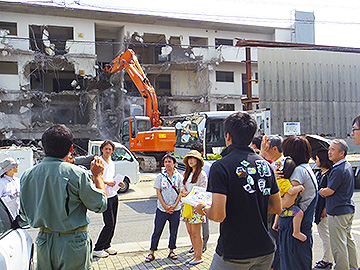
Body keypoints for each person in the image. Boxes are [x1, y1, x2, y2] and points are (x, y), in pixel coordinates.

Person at [194, 111, 282, 270]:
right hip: (265, 250)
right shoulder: (265, 165)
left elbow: (218, 215)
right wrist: (253, 204)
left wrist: (203, 209)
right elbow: (277, 207)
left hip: (234, 252)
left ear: (227, 136)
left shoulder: (221, 167)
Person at [19, 124, 108, 270]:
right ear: (71, 149)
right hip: (73, 243)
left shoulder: (27, 175)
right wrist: (98, 176)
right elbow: (100, 205)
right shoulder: (77, 174)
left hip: (43, 241)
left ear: (43, 147)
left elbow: (23, 215)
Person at [279, 135, 318, 270]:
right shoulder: (306, 168)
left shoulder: (298, 172)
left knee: (292, 264)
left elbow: (287, 202)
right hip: (303, 226)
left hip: (293, 229)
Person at [319, 139, 358, 270]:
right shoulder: (346, 165)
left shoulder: (338, 169)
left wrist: (321, 191)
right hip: (347, 208)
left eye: (333, 150)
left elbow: (330, 191)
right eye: (329, 149)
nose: (329, 152)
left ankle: (342, 268)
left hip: (337, 211)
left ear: (342, 153)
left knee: (338, 245)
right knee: (348, 241)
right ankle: (353, 266)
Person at [145, 154, 183, 263]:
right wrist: (165, 206)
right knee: (157, 231)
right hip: (162, 209)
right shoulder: (160, 176)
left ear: (174, 163)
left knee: (173, 231)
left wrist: (175, 205)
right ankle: (152, 252)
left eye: (169, 161)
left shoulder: (179, 177)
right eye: (165, 162)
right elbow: (158, 192)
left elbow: (181, 192)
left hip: (175, 209)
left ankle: (171, 251)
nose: (167, 164)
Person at [93, 140, 125, 258]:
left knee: (113, 222)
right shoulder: (97, 161)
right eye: (106, 149)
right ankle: (98, 248)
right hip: (104, 195)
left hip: (113, 194)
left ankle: (107, 245)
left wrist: (118, 184)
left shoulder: (111, 162)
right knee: (109, 223)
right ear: (102, 149)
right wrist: (107, 182)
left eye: (110, 149)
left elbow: (111, 179)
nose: (108, 151)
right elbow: (94, 178)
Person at [260, 134, 284, 270]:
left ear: (274, 148)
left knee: (276, 244)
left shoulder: (281, 165)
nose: (263, 151)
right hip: (273, 212)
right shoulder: (273, 165)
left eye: (265, 148)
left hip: (276, 213)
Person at [180, 150, 207, 265]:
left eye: (193, 158)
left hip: (196, 207)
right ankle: (195, 254)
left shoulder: (202, 174)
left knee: (196, 233)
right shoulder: (186, 173)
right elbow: (181, 186)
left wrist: (189, 194)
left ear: (198, 160)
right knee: (190, 232)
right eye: (189, 159)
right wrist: (183, 191)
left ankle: (199, 256)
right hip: (186, 206)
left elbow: (202, 191)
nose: (191, 161)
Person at [272, 157, 306, 242]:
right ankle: (296, 232)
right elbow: (290, 191)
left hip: (281, 206)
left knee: (278, 211)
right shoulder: (284, 181)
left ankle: (275, 224)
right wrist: (299, 187)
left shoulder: (277, 180)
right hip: (287, 207)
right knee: (299, 213)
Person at [314, 149, 333, 269]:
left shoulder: (329, 174)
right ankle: (327, 257)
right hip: (318, 207)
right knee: (323, 235)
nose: (315, 161)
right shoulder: (318, 173)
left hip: (324, 208)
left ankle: (327, 259)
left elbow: (329, 193)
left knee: (326, 235)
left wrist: (325, 208)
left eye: (316, 158)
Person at [189, 142, 210, 253]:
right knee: (193, 226)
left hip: (202, 200)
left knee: (204, 222)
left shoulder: (207, 167)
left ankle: (204, 243)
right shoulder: (189, 168)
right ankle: (195, 245)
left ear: (200, 154)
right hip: (190, 201)